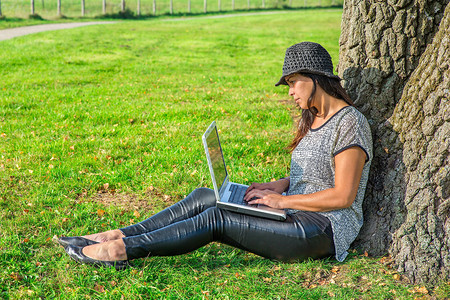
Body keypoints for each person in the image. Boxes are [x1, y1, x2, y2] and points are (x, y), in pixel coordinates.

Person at [58, 42, 373, 270]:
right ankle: (117, 234)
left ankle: (119, 250)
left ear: (315, 78)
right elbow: (321, 172)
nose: (290, 91)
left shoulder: (350, 123)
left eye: (293, 82)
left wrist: (283, 201)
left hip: (321, 230)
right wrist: (280, 184)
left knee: (216, 217)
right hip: (295, 212)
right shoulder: (314, 116)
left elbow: (343, 195)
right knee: (206, 196)